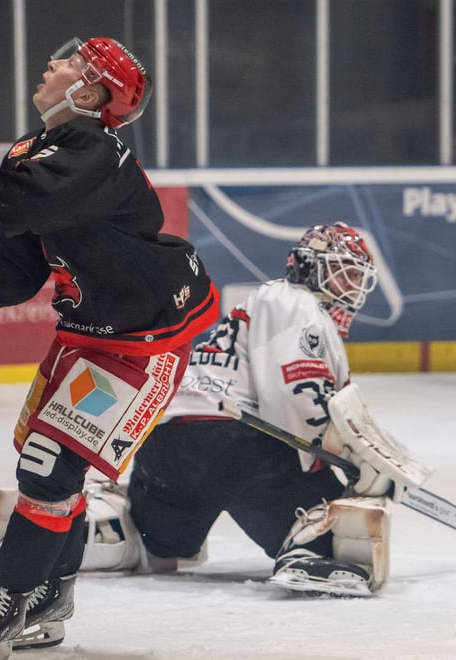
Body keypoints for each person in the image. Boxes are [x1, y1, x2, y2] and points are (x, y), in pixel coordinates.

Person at [0, 36, 220, 660]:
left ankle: (8, 603)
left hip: (142, 342)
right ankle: (49, 598)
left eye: (70, 62)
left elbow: (40, 195)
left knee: (47, 468)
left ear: (91, 92)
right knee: (49, 468)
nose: (52, 63)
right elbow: (18, 259)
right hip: (86, 336)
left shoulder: (98, 151)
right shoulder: (32, 152)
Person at [127, 222, 415, 598]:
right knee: (338, 531)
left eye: (358, 277)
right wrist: (346, 470)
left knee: (161, 545)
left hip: (164, 452)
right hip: (234, 446)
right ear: (311, 267)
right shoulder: (297, 303)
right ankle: (306, 552)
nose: (353, 287)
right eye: (345, 274)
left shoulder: (271, 303)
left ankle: (104, 533)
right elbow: (295, 399)